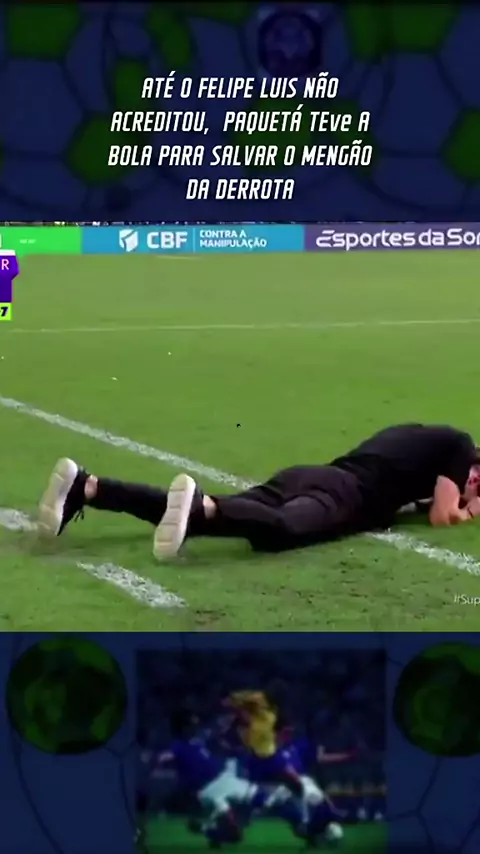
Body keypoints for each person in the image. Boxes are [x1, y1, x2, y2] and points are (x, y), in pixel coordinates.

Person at [37, 423, 480, 559]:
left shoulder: (421, 439)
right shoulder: (459, 447)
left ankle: (90, 488)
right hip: (345, 497)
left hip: (309, 476)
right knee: (283, 531)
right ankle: (206, 505)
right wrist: (471, 508)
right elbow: (444, 516)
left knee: (191, 517)